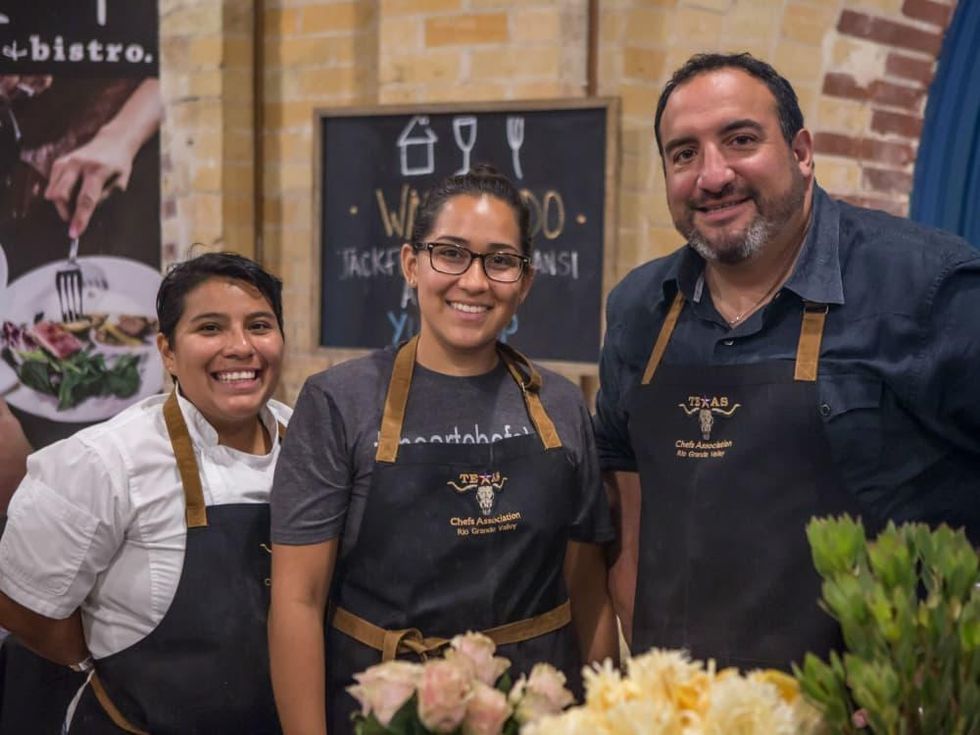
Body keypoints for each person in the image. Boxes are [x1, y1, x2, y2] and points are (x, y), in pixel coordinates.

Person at [594, 52, 980, 671]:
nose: (712, 175)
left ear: (801, 152)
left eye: (740, 140)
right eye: (684, 153)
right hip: (693, 704)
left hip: (871, 703)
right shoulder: (640, 309)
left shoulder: (929, 288)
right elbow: (627, 514)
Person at [269, 166, 618, 734]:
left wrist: (608, 720)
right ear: (411, 264)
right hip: (386, 716)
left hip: (537, 713)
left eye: (500, 260)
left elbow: (588, 593)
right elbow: (297, 600)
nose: (475, 282)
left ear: (525, 281)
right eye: (450, 254)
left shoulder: (560, 404)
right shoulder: (339, 402)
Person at [0, 252, 290, 733]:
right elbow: (22, 603)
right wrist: (102, 665)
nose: (241, 347)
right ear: (167, 351)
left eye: (259, 326)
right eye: (210, 328)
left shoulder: (311, 442)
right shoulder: (104, 460)